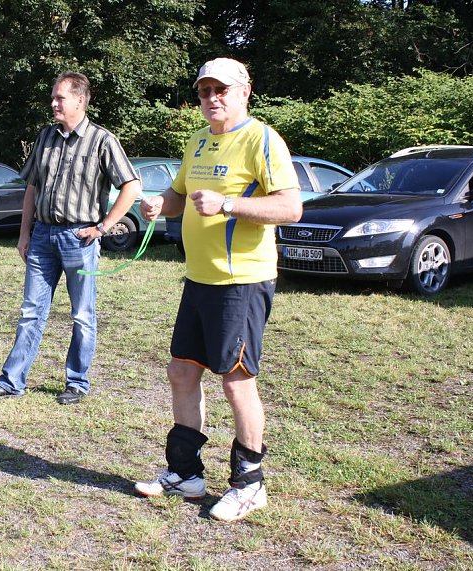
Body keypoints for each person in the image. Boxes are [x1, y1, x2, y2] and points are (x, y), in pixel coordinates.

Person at [134, 58, 302, 522]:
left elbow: (291, 207)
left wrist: (229, 203)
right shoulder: (199, 140)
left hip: (242, 282)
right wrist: (157, 206)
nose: (213, 98)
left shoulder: (262, 139)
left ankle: (250, 483)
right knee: (182, 373)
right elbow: (180, 196)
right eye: (205, 90)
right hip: (199, 279)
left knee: (235, 380)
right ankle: (185, 473)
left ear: (245, 91)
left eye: (221, 90)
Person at [0, 71, 142, 405]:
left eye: (60, 98)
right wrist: (24, 234)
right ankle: (11, 382)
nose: (53, 103)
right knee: (31, 312)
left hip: (79, 238)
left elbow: (132, 186)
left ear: (79, 100)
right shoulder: (45, 137)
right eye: (53, 97)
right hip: (42, 237)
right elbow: (31, 188)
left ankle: (76, 382)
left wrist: (103, 227)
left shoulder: (102, 140)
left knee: (82, 314)